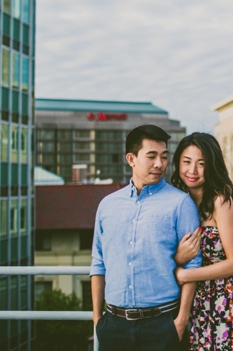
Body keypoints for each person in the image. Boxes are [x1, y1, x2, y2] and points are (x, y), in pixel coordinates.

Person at [90, 124, 202, 351]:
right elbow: (98, 262)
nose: (159, 164)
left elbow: (194, 264)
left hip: (162, 325)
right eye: (151, 156)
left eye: (163, 156)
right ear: (131, 159)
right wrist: (97, 319)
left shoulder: (181, 203)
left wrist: (180, 321)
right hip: (113, 326)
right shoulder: (107, 206)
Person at [170, 132, 233, 351]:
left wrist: (186, 274)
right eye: (186, 162)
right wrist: (178, 258)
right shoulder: (174, 200)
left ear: (212, 166)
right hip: (183, 301)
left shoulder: (220, 201)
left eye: (201, 164)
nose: (192, 171)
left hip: (219, 301)